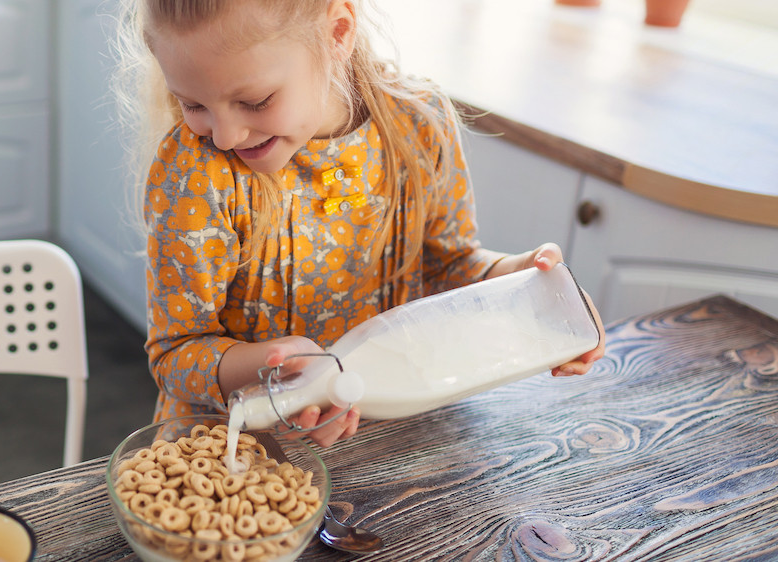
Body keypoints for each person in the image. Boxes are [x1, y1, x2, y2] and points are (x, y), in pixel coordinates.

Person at [112, 0, 606, 447]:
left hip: (394, 432)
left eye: (256, 101)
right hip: (229, 447)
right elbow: (176, 353)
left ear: (337, 33)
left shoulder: (419, 123)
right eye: (193, 104)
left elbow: (448, 264)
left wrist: (524, 282)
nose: (224, 135)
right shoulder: (196, 174)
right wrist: (275, 368)